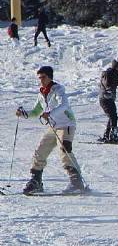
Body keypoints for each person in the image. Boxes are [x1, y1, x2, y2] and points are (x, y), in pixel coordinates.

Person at [15, 66, 85, 194]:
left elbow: (63, 105)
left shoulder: (58, 89)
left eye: (43, 77)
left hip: (66, 124)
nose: (41, 80)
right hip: (53, 126)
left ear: (50, 77)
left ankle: (76, 181)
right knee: (40, 150)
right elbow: (37, 111)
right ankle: (36, 180)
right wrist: (24, 114)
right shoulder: (41, 93)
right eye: (39, 78)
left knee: (64, 149)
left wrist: (50, 114)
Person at [98, 60, 118, 144]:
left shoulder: (111, 74)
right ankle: (113, 135)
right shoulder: (109, 74)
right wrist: (110, 89)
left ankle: (108, 135)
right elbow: (108, 84)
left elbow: (111, 84)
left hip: (107, 98)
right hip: (106, 98)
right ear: (116, 67)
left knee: (112, 116)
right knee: (113, 117)